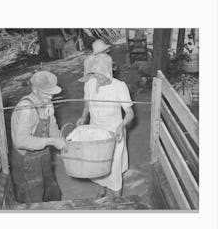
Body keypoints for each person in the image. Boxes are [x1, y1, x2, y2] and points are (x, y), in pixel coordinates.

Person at [77, 52, 134, 198]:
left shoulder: (119, 87)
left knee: (113, 168)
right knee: (98, 164)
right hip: (95, 132)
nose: (97, 78)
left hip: (115, 133)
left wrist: (121, 126)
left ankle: (117, 200)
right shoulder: (90, 82)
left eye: (100, 74)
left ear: (109, 71)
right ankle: (102, 189)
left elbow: (130, 113)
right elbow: (87, 103)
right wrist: (83, 117)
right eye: (94, 74)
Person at [11, 71, 66, 204]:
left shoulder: (46, 102)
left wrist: (61, 141)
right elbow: (21, 141)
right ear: (34, 89)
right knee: (33, 200)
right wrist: (52, 141)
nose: (50, 97)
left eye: (52, 93)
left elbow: (51, 126)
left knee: (51, 193)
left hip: (43, 155)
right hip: (26, 161)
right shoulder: (26, 109)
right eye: (47, 93)